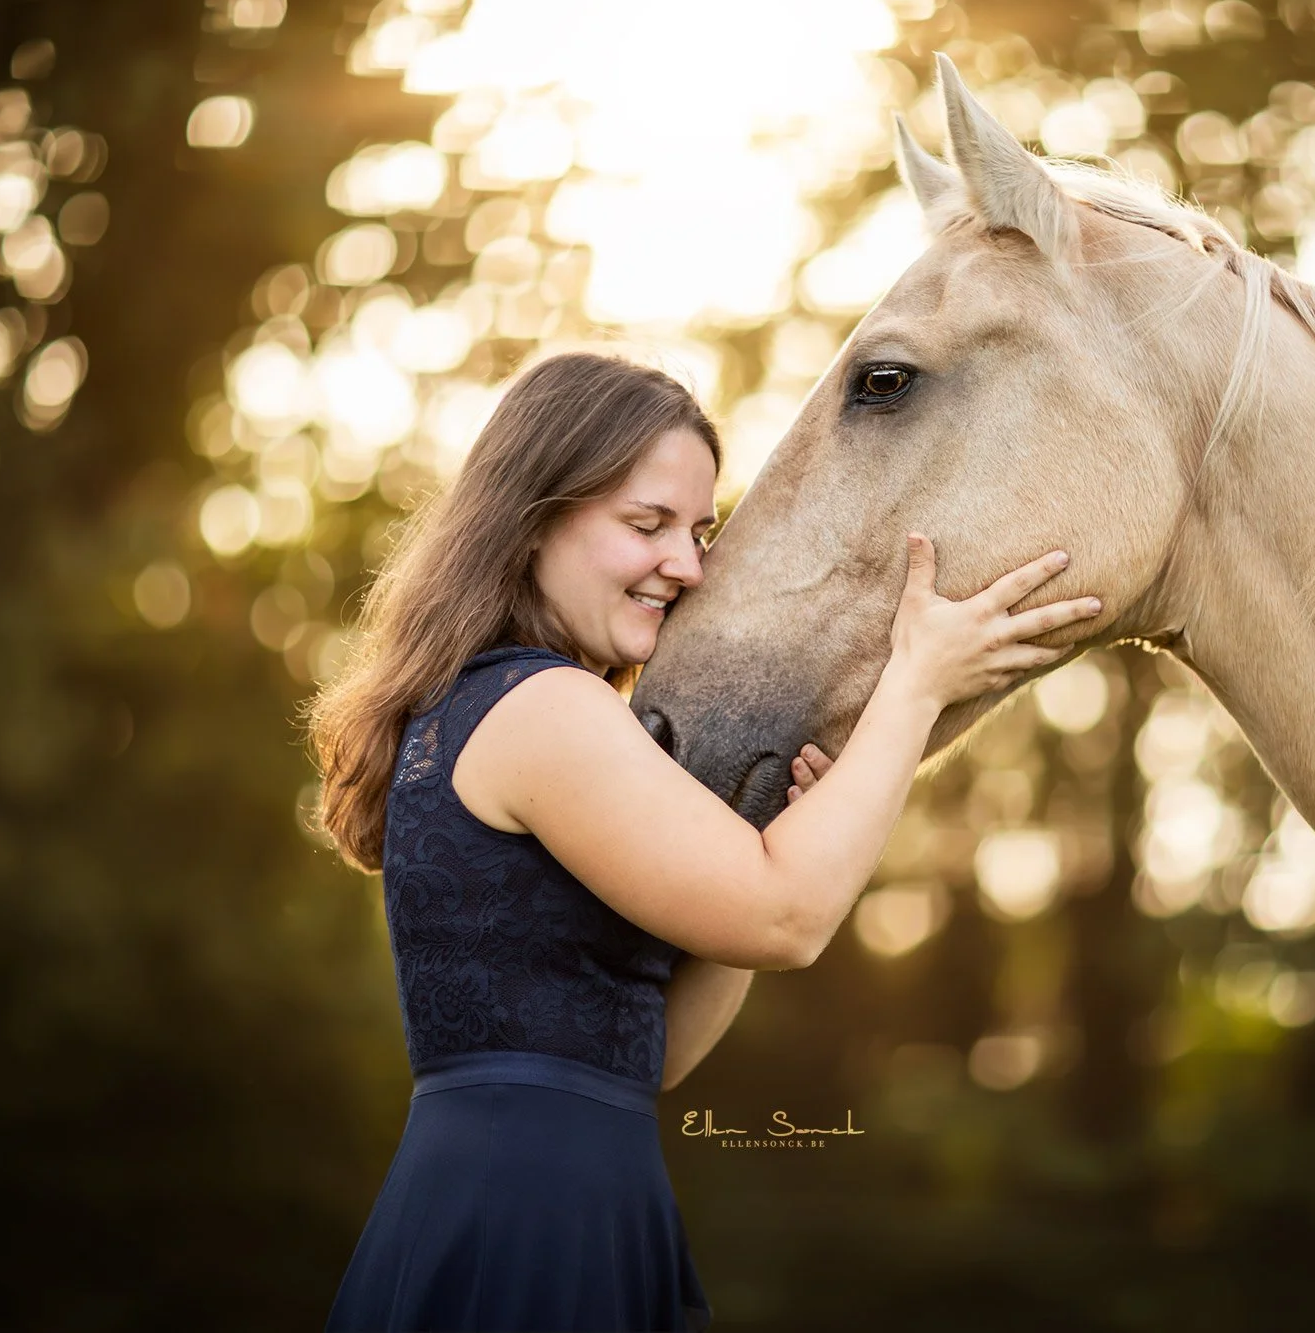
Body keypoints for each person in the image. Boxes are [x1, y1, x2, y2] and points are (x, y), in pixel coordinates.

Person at [309, 352, 1100, 1331]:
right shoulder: (542, 706)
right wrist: (917, 682)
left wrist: (760, 835)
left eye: (699, 531)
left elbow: (654, 1055)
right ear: (532, 521)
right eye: (646, 526)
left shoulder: (496, 708)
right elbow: (786, 918)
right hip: (530, 1216)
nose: (686, 566)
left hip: (552, 1195)